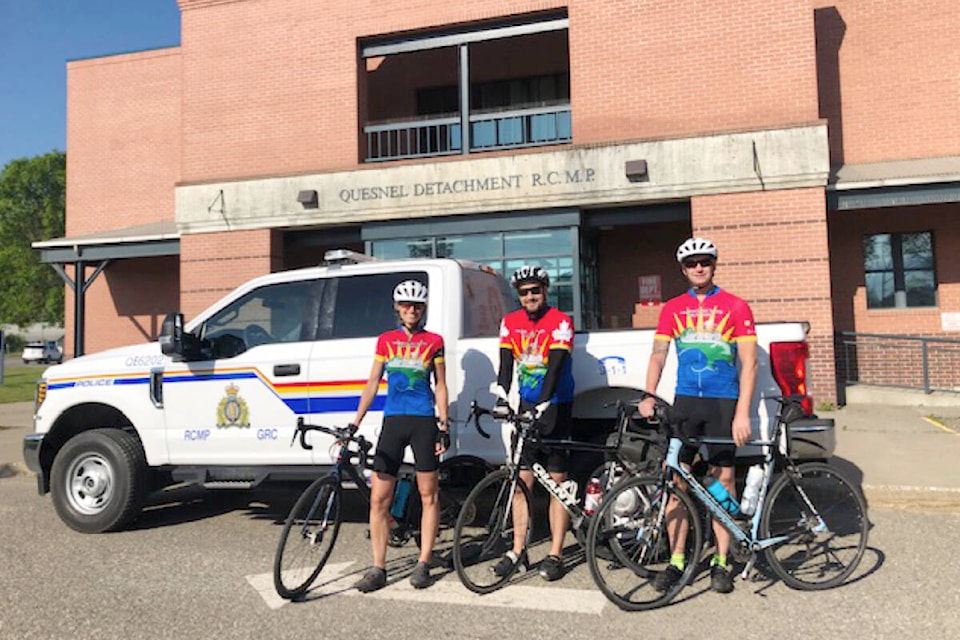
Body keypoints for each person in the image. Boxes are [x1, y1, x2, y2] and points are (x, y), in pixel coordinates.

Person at [638, 237, 758, 594]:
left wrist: (742, 414)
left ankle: (722, 561)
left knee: (724, 482)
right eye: (692, 264)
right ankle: (676, 561)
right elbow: (659, 354)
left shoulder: (736, 306)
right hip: (686, 403)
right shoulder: (672, 308)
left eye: (705, 261)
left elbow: (749, 364)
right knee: (676, 482)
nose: (699, 268)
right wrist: (648, 395)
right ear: (683, 269)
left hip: (723, 402)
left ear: (714, 265)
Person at [351, 279, 450, 593]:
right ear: (396, 307)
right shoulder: (385, 341)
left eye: (417, 305)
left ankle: (423, 563)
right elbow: (372, 382)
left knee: (428, 494)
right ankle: (378, 567)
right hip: (393, 422)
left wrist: (444, 425)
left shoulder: (434, 341)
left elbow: (441, 385)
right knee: (379, 498)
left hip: (423, 422)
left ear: (423, 309)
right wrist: (355, 422)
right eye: (406, 305)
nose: (411, 310)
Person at [492, 265, 575, 582]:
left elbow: (554, 369)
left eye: (535, 290)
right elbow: (505, 364)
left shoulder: (560, 322)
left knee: (556, 483)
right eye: (525, 292)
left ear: (545, 290)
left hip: (555, 406)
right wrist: (501, 397)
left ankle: (555, 553)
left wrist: (542, 404)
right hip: (526, 406)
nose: (530, 296)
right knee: (520, 482)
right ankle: (517, 550)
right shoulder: (510, 323)